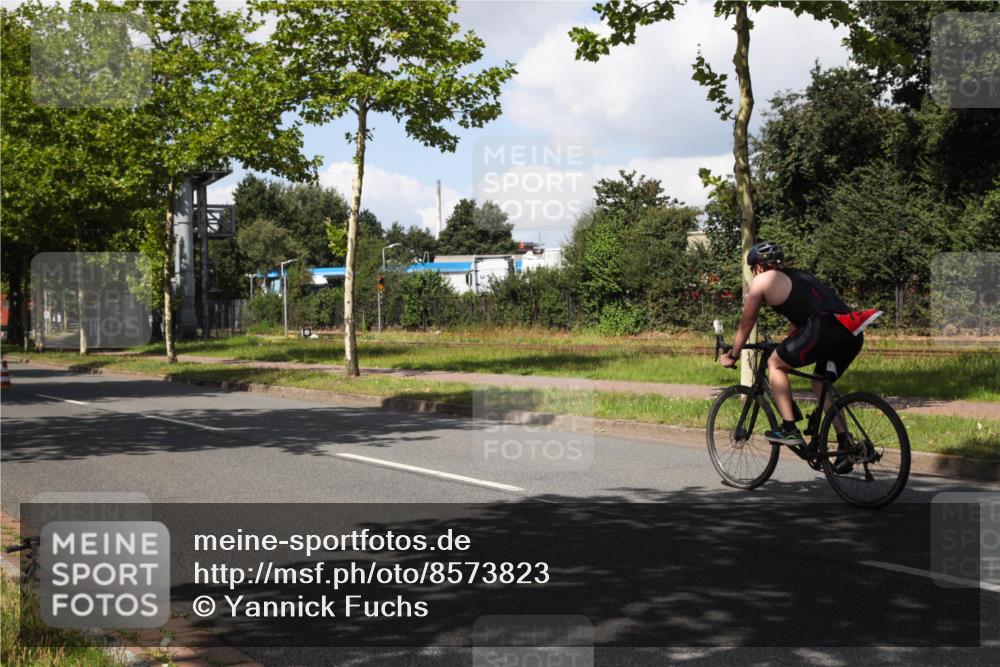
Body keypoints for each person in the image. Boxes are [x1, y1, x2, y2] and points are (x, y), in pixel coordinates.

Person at [718, 242, 881, 472]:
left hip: (822, 329)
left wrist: (733, 354)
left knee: (775, 363)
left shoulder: (763, 280)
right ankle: (846, 445)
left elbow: (747, 322)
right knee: (819, 382)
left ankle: (788, 428)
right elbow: (802, 323)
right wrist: (785, 342)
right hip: (850, 331)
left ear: (757, 267)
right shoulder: (800, 277)